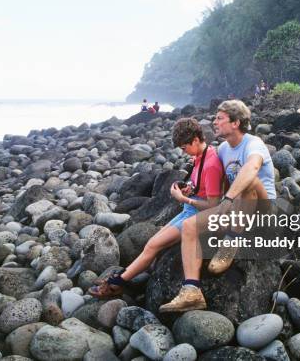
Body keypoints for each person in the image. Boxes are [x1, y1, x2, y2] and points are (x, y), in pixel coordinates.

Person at [159, 100, 276, 312]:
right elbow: (214, 178)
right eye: (215, 118)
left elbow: (252, 168)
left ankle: (231, 242)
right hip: (237, 209)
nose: (215, 122)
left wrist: (228, 199)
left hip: (262, 210)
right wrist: (191, 191)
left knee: (248, 180)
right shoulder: (223, 149)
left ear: (235, 123)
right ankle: (192, 291)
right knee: (189, 227)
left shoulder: (253, 143)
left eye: (220, 118)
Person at [89, 118, 224, 299]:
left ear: (196, 140)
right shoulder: (200, 156)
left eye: (184, 148)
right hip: (187, 212)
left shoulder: (212, 164)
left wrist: (183, 198)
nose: (184, 153)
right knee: (152, 243)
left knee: (153, 245)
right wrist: (185, 187)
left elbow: (214, 205)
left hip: (197, 216)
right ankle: (121, 278)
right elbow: (200, 187)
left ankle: (117, 283)